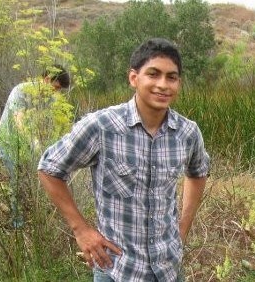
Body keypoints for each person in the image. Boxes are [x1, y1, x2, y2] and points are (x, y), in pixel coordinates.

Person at [38, 38, 210, 281]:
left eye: (171, 77)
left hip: (169, 269)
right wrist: (81, 230)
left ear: (178, 83)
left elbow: (198, 172)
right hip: (118, 270)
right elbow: (49, 168)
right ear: (134, 78)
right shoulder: (102, 126)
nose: (163, 84)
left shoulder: (187, 132)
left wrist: (182, 229)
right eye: (153, 74)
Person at [0, 65, 71, 227]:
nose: (56, 93)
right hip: (10, 143)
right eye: (56, 87)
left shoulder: (49, 99)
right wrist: (35, 142)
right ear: (46, 79)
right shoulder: (21, 91)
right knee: (16, 181)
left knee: (34, 181)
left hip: (31, 147)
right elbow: (20, 121)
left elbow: (49, 124)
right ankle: (17, 224)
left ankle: (35, 216)